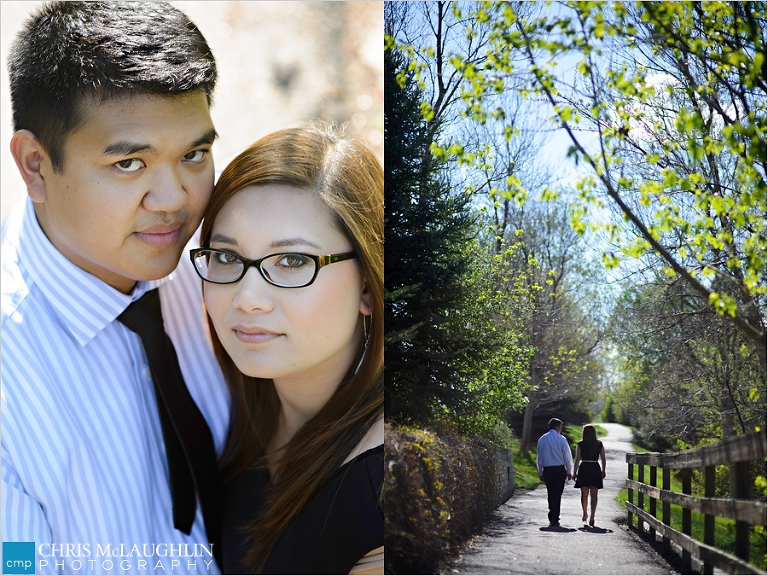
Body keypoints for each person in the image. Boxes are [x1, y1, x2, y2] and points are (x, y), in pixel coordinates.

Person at [1, 2, 230, 572]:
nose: (174, 199)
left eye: (194, 154)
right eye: (129, 163)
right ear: (35, 165)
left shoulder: (226, 270)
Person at [191, 125, 384, 574]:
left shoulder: (377, 495)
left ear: (369, 289)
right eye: (226, 257)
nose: (247, 297)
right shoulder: (238, 405)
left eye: (293, 261)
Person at [536, 417, 574, 527]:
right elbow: (567, 455)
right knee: (557, 494)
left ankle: (552, 514)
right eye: (560, 427)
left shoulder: (542, 439)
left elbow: (539, 457)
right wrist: (569, 470)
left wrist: (540, 472)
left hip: (547, 470)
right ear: (557, 427)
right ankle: (554, 517)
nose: (561, 429)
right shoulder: (561, 439)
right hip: (559, 470)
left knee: (550, 493)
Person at [573, 424, 607, 526]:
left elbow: (577, 459)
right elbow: (603, 458)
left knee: (584, 494)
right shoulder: (599, 444)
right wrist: (603, 470)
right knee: (594, 494)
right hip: (595, 467)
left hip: (584, 468)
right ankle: (592, 515)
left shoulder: (580, 444)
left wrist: (574, 472)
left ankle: (585, 513)